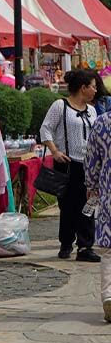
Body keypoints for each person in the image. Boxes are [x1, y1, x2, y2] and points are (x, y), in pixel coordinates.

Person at [40, 69, 100, 262]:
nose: (95, 90)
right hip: (66, 164)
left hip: (88, 165)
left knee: (88, 204)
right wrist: (55, 151)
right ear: (83, 88)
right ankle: (66, 242)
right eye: (93, 87)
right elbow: (45, 129)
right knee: (67, 206)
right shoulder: (61, 106)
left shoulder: (92, 110)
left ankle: (85, 246)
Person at [84, 111, 111, 321]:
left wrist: (92, 186)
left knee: (109, 251)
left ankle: (109, 295)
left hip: (109, 192)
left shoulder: (102, 122)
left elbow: (91, 161)